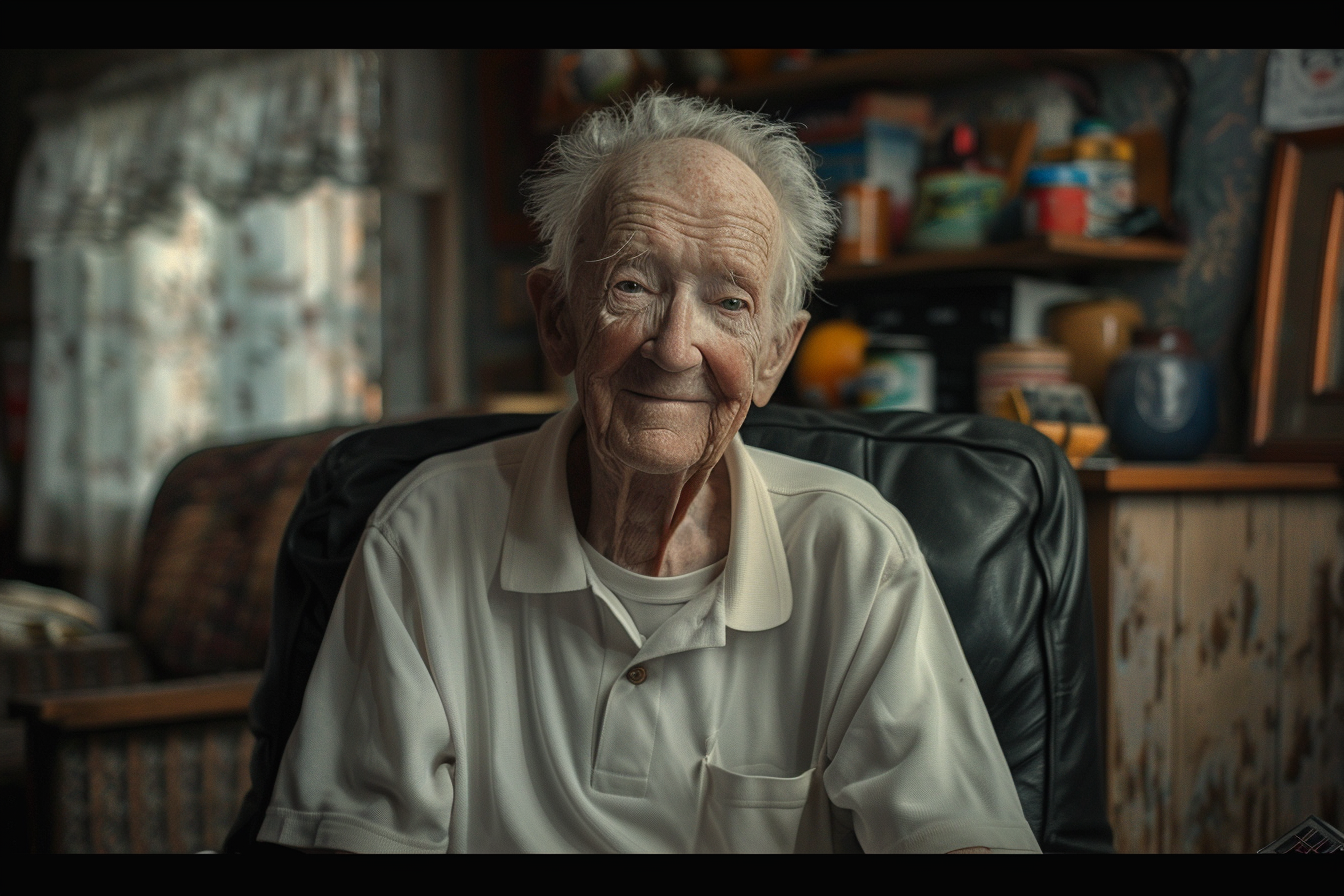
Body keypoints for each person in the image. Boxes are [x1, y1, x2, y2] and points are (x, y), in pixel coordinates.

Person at [257, 90, 1041, 854]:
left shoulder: (859, 558)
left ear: (775, 355)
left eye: (729, 302)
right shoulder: (420, 535)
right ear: (557, 321)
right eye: (632, 285)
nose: (673, 348)